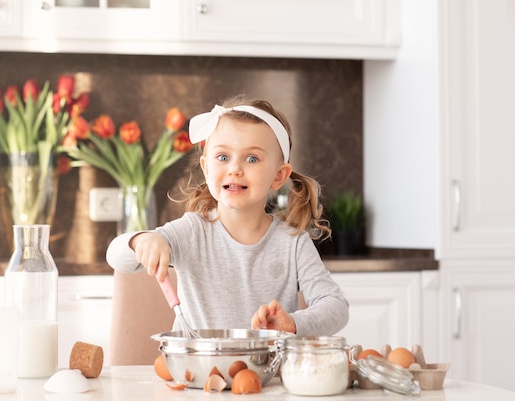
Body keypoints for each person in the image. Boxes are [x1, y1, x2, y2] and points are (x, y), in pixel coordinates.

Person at [106, 96, 349, 336]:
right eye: (223, 157)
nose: (235, 168)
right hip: (198, 372)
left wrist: (293, 323)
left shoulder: (293, 243)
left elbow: (336, 307)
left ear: (278, 176)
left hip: (266, 374)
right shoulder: (191, 231)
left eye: (252, 158)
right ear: (206, 167)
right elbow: (116, 256)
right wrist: (141, 240)